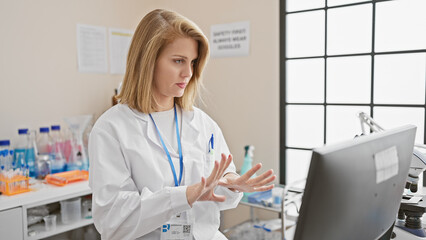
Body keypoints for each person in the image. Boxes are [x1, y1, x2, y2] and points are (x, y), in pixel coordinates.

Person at [88, 9, 276, 240]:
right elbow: (113, 221)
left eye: (193, 62)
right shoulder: (111, 129)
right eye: (178, 61)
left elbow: (218, 188)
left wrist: (232, 183)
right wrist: (185, 195)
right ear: (148, 61)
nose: (188, 73)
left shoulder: (202, 123)